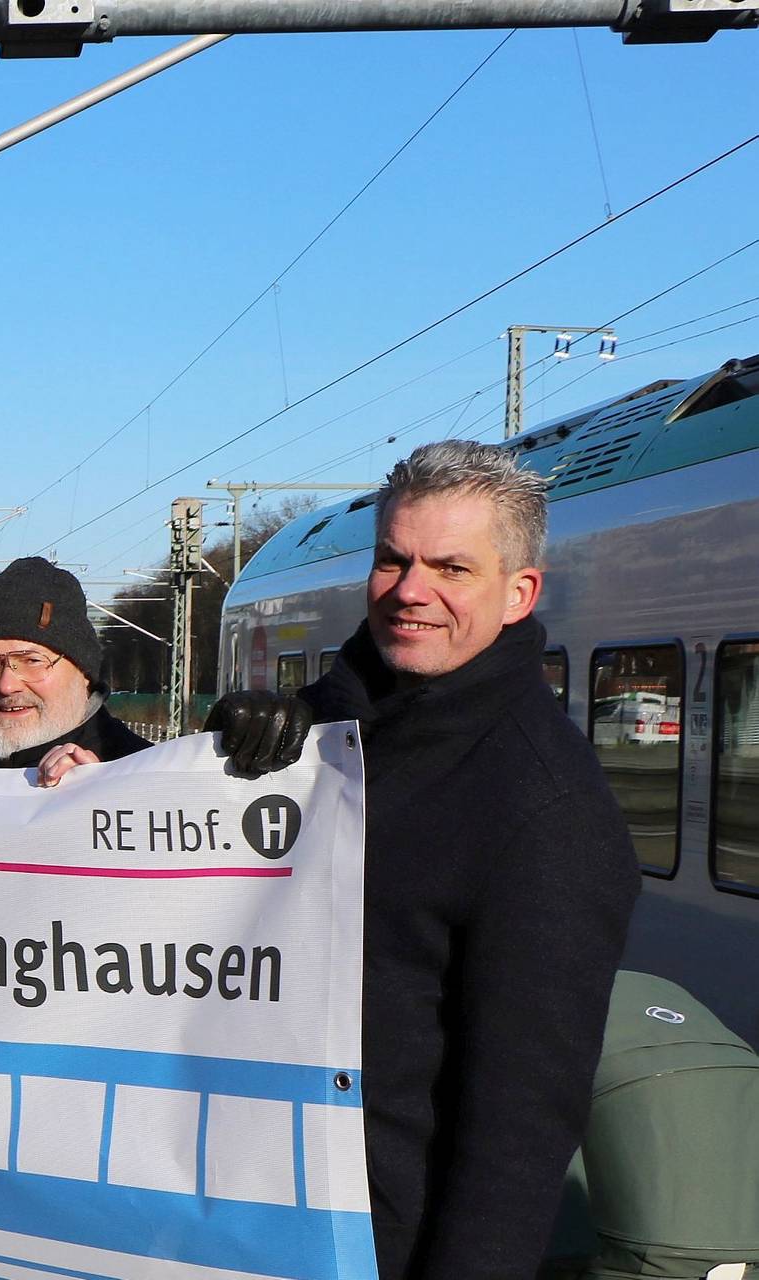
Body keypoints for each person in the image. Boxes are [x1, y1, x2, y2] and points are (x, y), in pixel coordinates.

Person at [198, 441, 639, 1279]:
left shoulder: (545, 809)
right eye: (393, 560)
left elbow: (521, 1124)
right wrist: (211, 761)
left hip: (372, 1246)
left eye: (451, 568)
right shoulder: (324, 727)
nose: (410, 591)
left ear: (520, 592)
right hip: (229, 1206)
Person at [0, 556, 151, 777]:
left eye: (32, 661)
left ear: (84, 673)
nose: (6, 686)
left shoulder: (150, 778)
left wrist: (105, 791)